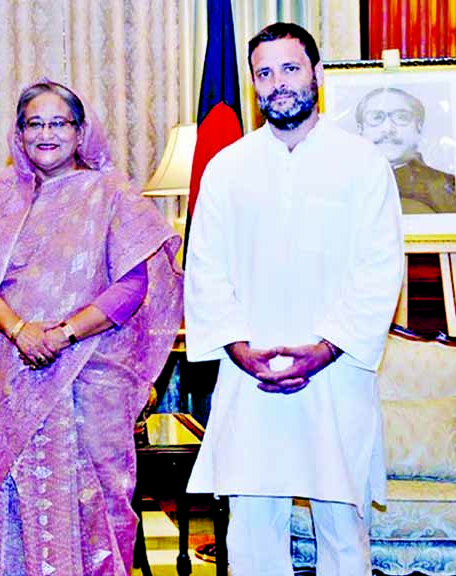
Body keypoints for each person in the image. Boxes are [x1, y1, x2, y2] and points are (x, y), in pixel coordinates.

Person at [0, 80, 183, 576]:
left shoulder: (112, 193)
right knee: (23, 501)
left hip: (91, 374)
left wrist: (63, 334)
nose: (46, 133)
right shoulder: (5, 196)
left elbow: (132, 286)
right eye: (34, 123)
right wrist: (20, 329)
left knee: (98, 506)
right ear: (20, 133)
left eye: (58, 123)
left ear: (80, 131)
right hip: (16, 377)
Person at [185, 22, 404, 576]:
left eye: (290, 68)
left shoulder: (362, 164)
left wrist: (323, 349)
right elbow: (206, 270)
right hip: (251, 375)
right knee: (254, 530)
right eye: (264, 72)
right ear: (253, 83)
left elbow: (379, 271)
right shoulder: (227, 168)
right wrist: (239, 348)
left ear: (317, 74)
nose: (278, 83)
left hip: (335, 374)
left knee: (341, 527)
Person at [356, 86, 456, 213]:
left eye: (401, 117)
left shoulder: (446, 186)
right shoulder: (341, 184)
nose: (388, 129)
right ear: (360, 129)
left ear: (419, 127)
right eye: (376, 118)